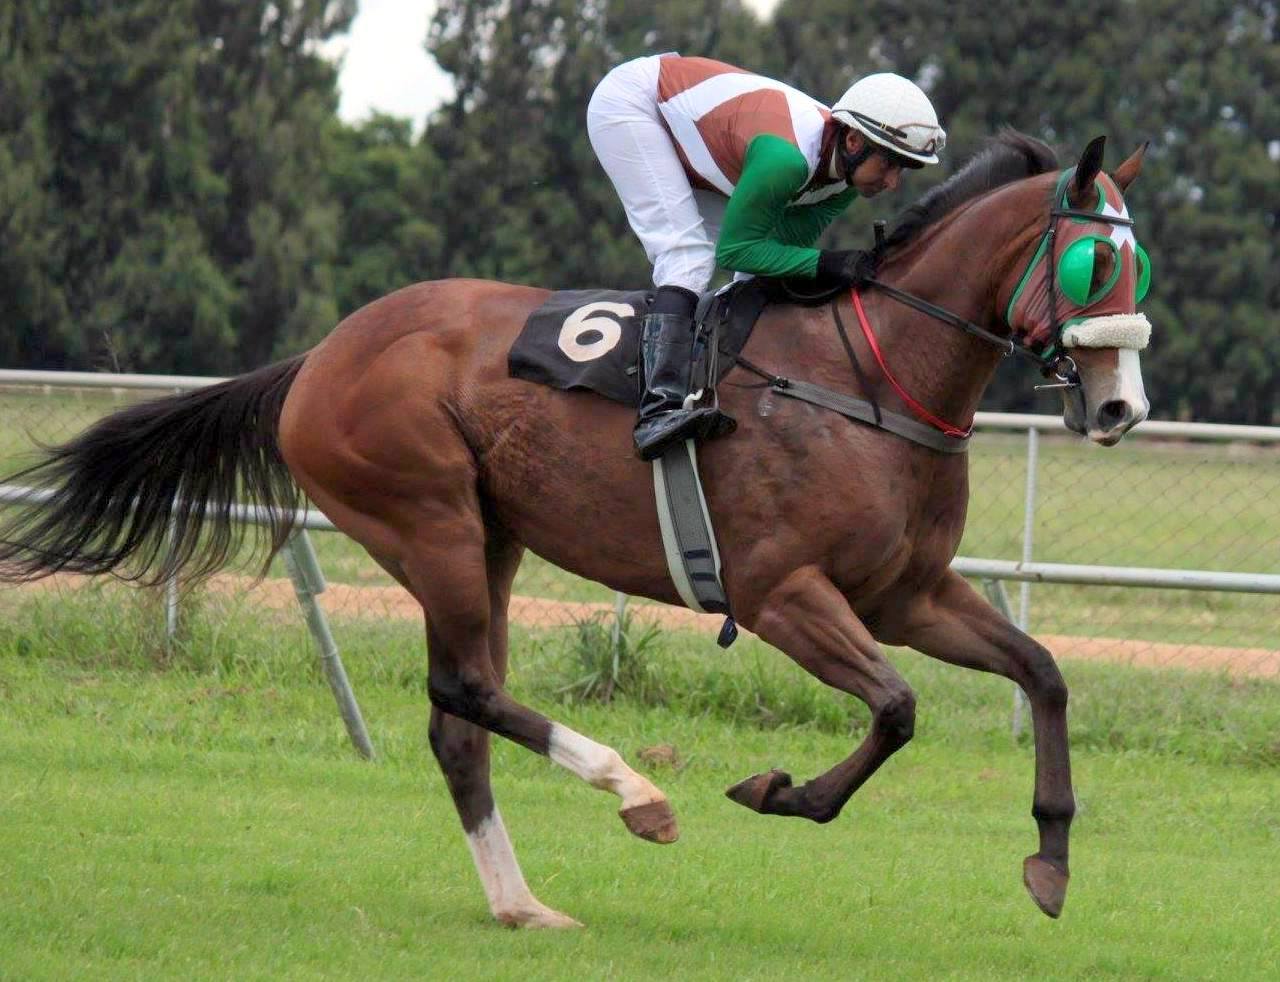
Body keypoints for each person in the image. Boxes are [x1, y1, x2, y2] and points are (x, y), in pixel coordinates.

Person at [587, 54, 946, 460]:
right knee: (687, 259)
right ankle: (658, 410)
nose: (894, 182)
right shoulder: (786, 160)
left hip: (691, 127)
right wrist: (829, 264)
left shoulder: (843, 184)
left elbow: (770, 259)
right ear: (853, 142)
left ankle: (717, 383)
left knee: (752, 280)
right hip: (635, 105)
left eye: (905, 169)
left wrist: (832, 270)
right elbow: (736, 250)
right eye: (890, 163)